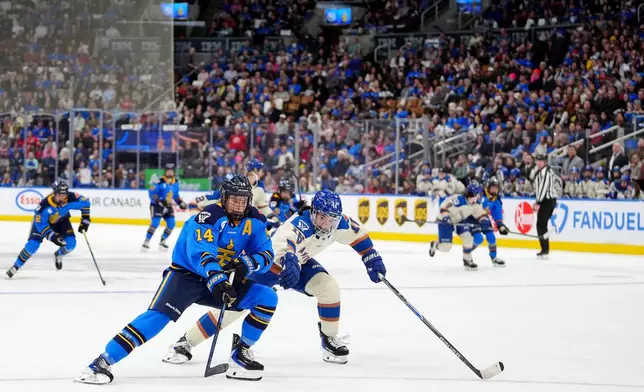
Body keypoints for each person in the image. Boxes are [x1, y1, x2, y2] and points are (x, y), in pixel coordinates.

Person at [75, 174, 277, 384]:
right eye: (234, 199)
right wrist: (219, 280)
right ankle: (102, 361)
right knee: (157, 317)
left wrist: (247, 265)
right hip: (186, 276)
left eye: (243, 200)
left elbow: (266, 253)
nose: (239, 204)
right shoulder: (209, 216)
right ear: (224, 197)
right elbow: (201, 253)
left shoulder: (255, 219)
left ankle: (240, 353)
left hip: (220, 279)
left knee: (267, 297)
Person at [162, 190, 387, 365]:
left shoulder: (340, 223)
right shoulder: (297, 225)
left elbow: (361, 237)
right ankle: (186, 342)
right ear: (313, 212)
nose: (327, 224)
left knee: (328, 287)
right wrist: (290, 261)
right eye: (323, 218)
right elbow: (281, 246)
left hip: (299, 263)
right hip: (267, 267)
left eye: (332, 219)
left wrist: (371, 257)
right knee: (232, 309)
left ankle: (329, 339)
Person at [6, 180, 91, 278]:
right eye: (60, 194)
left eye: (64, 194)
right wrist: (53, 237)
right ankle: (16, 266)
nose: (63, 197)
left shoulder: (71, 197)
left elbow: (86, 203)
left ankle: (58, 254)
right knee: (32, 245)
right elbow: (40, 224)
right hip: (43, 224)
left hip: (62, 222)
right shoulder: (44, 206)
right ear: (54, 193)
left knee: (71, 244)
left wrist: (85, 219)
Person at [428, 182, 492, 270]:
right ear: (469, 194)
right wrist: (446, 218)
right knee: (445, 247)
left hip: (459, 221)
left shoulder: (476, 204)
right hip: (445, 221)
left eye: (479, 195)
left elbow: (480, 214)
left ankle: (467, 259)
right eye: (477, 195)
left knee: (468, 238)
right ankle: (434, 245)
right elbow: (444, 207)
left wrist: (484, 221)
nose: (478, 197)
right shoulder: (457, 199)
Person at [142, 163, 187, 252]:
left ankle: (162, 241)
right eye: (168, 171)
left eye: (171, 171)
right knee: (155, 223)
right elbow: (151, 193)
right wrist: (159, 200)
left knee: (171, 224)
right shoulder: (159, 181)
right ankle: (146, 241)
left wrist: (180, 202)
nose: (170, 173)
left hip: (168, 206)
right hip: (157, 206)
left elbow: (176, 195)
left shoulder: (176, 182)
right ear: (165, 172)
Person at [532, 153, 558, 259]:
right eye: (537, 161)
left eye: (541, 161)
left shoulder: (546, 172)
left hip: (547, 200)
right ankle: (544, 248)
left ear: (545, 162)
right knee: (542, 224)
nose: (538, 163)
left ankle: (545, 248)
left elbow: (543, 188)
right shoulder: (542, 172)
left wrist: (537, 202)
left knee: (541, 224)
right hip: (546, 199)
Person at [478, 178, 508, 266]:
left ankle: (493, 258)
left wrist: (500, 225)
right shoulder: (479, 194)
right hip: (472, 219)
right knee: (476, 238)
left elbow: (497, 214)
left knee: (491, 237)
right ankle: (467, 256)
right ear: (488, 187)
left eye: (496, 188)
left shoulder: (496, 200)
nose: (495, 190)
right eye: (493, 187)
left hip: (484, 221)